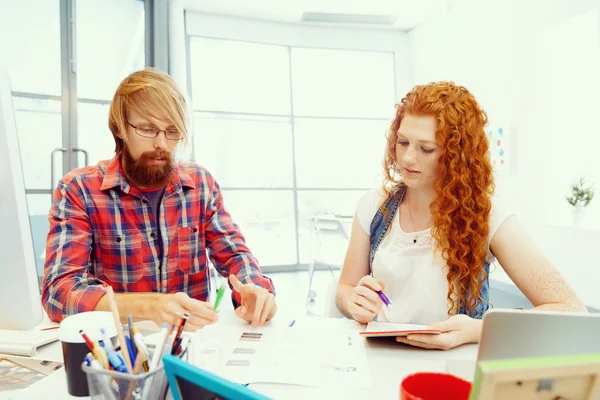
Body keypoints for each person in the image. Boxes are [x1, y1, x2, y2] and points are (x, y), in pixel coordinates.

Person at [336, 81, 586, 350]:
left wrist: (478, 330)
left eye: (426, 149)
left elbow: (571, 310)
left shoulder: (488, 215)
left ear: (457, 154)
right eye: (403, 142)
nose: (407, 158)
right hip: (380, 363)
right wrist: (353, 303)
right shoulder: (374, 207)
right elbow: (345, 288)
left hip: (452, 370)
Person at [42, 68, 276, 330]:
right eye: (147, 129)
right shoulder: (79, 189)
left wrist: (256, 289)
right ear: (120, 128)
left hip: (192, 344)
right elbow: (58, 292)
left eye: (172, 131)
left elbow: (234, 254)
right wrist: (149, 306)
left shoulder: (200, 183)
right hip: (122, 349)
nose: (162, 144)